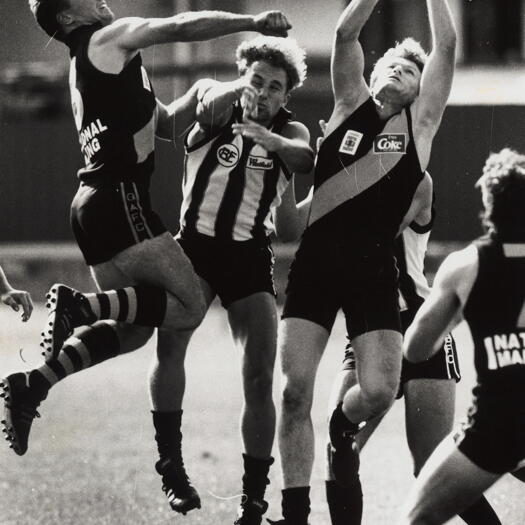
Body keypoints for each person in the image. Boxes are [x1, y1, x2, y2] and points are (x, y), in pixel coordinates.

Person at [1, 0, 291, 514]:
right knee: (188, 305)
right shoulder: (107, 38)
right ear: (69, 18)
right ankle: (78, 307)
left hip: (90, 208)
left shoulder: (86, 66)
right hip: (120, 198)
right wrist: (251, 22)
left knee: (134, 326)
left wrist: (203, 91)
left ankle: (32, 384)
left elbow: (163, 124)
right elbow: (178, 25)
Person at [270, 1, 457, 524]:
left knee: (375, 391)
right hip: (314, 270)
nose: (401, 72)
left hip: (373, 272)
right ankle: (295, 513)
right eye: (393, 65)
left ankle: (339, 425)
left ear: (424, 92)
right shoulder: (348, 104)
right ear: (371, 76)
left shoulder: (419, 128)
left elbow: (447, 48)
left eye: (413, 71)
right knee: (292, 392)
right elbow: (345, 30)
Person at [154, 35, 313, 525]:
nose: (262, 93)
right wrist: (241, 86)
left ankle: (254, 499)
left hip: (249, 257)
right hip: (195, 249)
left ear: (287, 96)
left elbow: (304, 159)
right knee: (171, 346)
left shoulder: (292, 130)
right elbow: (206, 105)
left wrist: (275, 141)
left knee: (261, 375)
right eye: (256, 81)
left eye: (274, 87)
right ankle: (172, 467)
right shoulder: (219, 108)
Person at [324, 171, 501, 525]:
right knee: (339, 448)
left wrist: (336, 172)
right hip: (367, 333)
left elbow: (369, 234)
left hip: (421, 327)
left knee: (432, 467)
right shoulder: (344, 178)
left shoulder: (416, 179)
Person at [399, 148, 525, 524]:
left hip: (498, 421)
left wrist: (457, 314)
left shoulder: (465, 265)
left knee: (415, 518)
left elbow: (417, 349)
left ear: (488, 205)